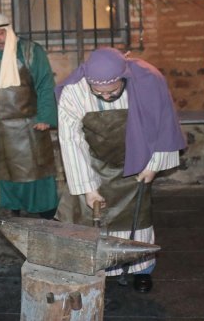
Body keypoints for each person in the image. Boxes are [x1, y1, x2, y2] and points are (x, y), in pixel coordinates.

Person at [54, 47, 186, 293]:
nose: (106, 96)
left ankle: (141, 269)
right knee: (90, 219)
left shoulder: (147, 82)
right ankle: (99, 268)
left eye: (113, 91)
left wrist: (153, 166)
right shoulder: (74, 92)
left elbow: (163, 123)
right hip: (93, 162)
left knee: (138, 221)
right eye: (99, 92)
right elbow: (71, 141)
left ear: (123, 77)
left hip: (137, 161)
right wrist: (88, 188)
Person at [0, 12, 58, 219]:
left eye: (1, 33)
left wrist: (45, 117)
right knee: (8, 172)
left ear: (9, 31)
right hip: (2, 129)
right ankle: (12, 211)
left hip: (31, 126)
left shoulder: (31, 51)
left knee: (36, 172)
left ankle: (46, 214)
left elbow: (44, 85)